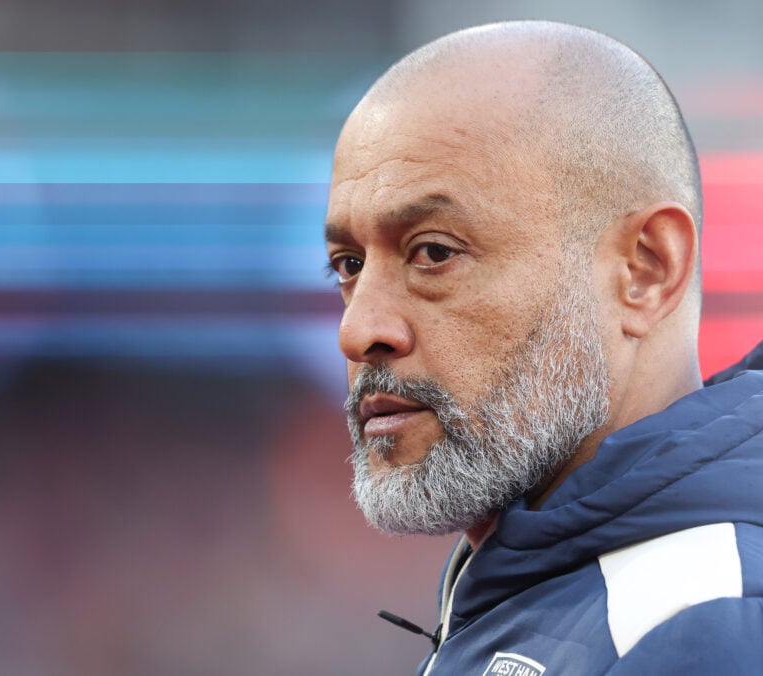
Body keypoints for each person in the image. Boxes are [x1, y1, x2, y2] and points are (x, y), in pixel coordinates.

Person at [324, 20, 763, 674]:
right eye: (350, 265)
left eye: (434, 253)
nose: (358, 331)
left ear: (645, 269)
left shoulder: (704, 622)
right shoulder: (541, 584)